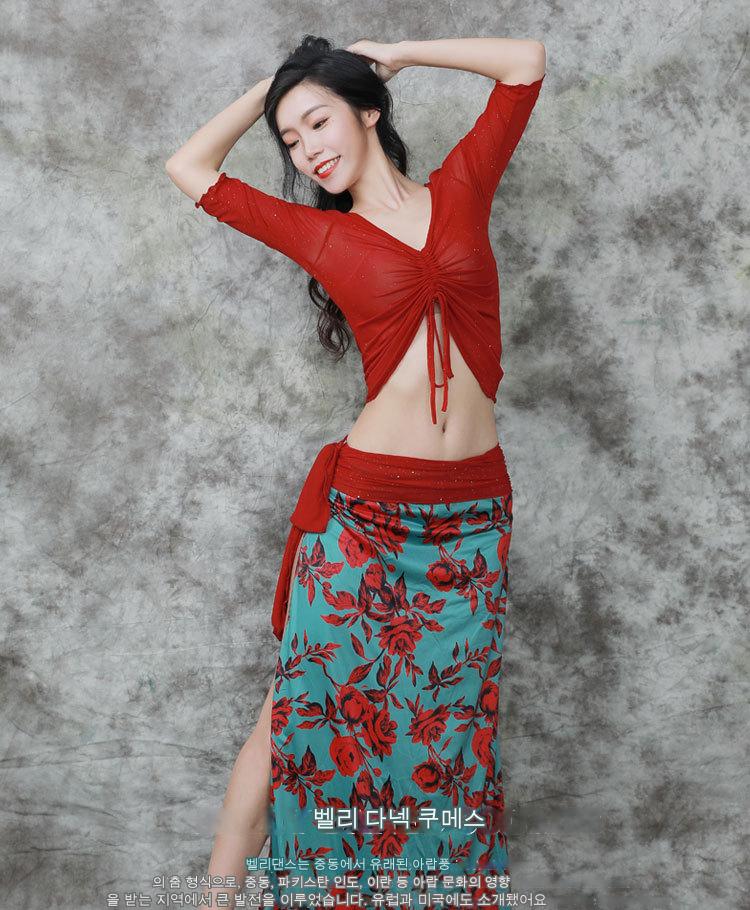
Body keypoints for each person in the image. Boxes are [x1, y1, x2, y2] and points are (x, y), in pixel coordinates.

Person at [167, 33, 546, 908]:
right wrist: (277, 85)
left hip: (472, 524)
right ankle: (218, 896)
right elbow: (191, 168)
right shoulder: (318, 233)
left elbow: (525, 63)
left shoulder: (462, 190)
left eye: (319, 122)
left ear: (368, 110)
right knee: (301, 714)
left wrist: (400, 53)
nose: (307, 149)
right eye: (290, 139)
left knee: (447, 740)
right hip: (363, 518)